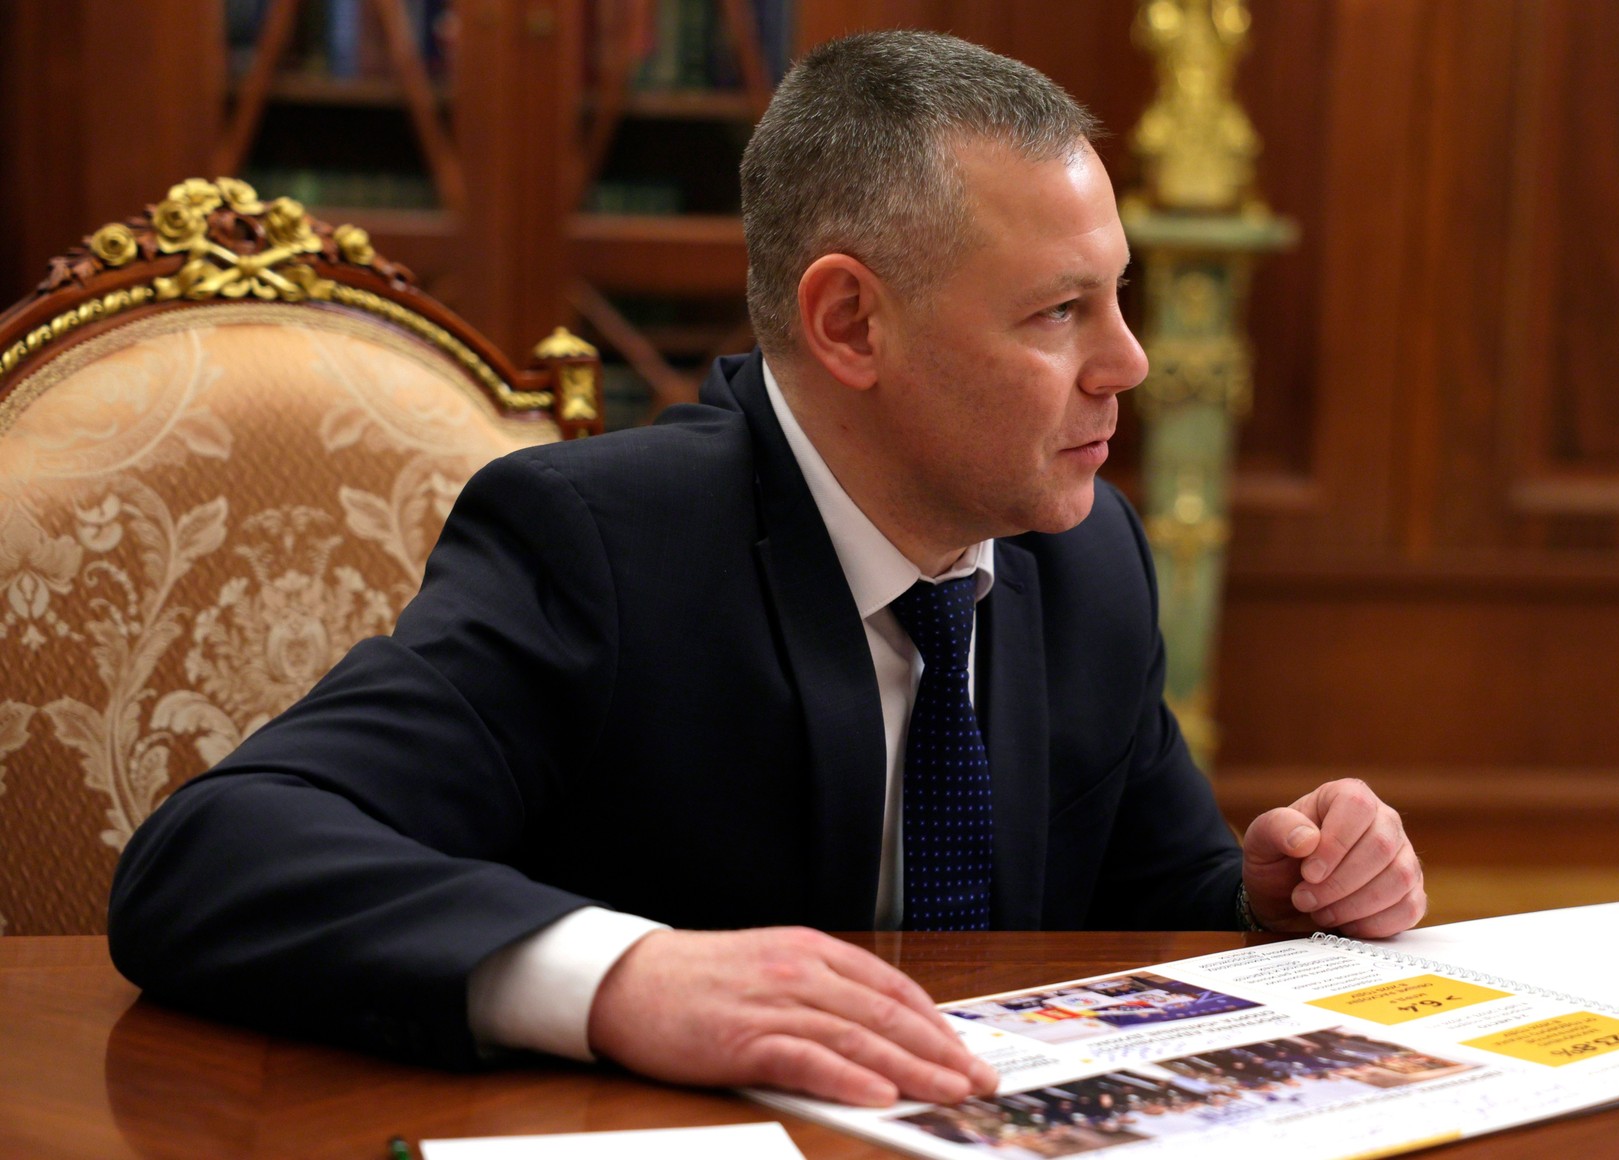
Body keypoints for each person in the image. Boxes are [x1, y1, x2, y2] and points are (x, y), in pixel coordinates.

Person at [108, 30, 1424, 1109]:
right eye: (1059, 310)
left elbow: (1147, 902)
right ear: (850, 322)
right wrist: (625, 978)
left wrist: (1276, 897)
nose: (1127, 362)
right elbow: (213, 857)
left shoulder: (1089, 559)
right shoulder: (602, 547)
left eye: (1118, 295)